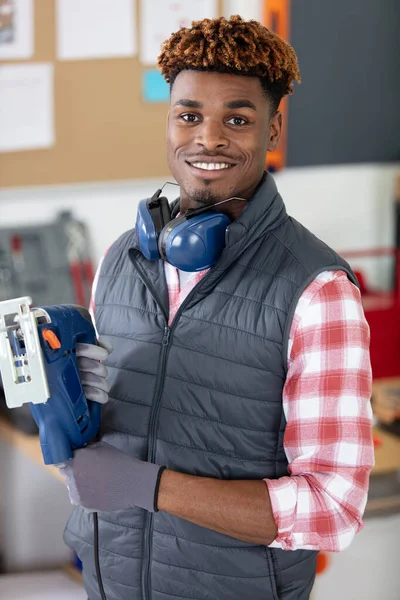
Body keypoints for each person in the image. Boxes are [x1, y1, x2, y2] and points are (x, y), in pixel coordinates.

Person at [62, 15, 374, 600]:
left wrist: (147, 486)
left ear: (274, 128)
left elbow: (332, 508)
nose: (207, 139)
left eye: (237, 118)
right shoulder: (122, 258)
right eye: (188, 115)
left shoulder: (317, 289)